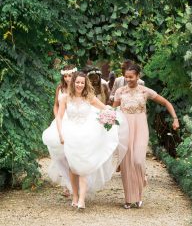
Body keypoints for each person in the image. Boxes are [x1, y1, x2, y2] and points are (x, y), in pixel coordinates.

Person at [55, 72, 128, 209]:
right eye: (77, 82)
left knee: (84, 166)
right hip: (70, 134)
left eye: (82, 82)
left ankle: (82, 199)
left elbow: (104, 107)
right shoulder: (65, 98)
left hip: (86, 135)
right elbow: (59, 117)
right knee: (72, 167)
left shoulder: (89, 97)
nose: (79, 85)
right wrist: (60, 134)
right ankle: (75, 195)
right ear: (73, 83)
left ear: (85, 84)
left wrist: (112, 114)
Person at [113, 64, 179, 209]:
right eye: (126, 76)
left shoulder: (145, 91)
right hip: (124, 127)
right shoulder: (120, 91)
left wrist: (175, 118)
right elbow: (114, 110)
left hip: (140, 126)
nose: (128, 79)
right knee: (126, 163)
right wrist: (108, 119)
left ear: (138, 76)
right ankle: (129, 199)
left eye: (131, 77)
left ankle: (140, 186)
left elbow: (166, 102)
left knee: (137, 160)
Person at [43, 65, 77, 197]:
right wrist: (58, 118)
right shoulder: (60, 88)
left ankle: (75, 184)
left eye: (70, 75)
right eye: (65, 76)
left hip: (74, 121)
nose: (68, 78)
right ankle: (68, 184)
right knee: (60, 155)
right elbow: (56, 105)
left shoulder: (79, 86)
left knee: (72, 155)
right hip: (61, 121)